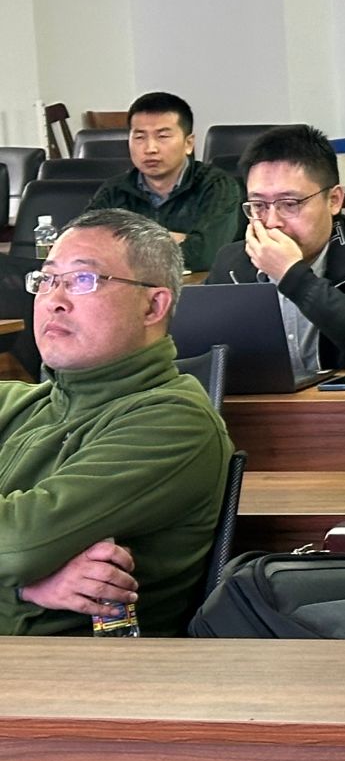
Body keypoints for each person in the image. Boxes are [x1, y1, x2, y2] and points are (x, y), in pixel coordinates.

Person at [1, 210, 232, 635]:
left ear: (153, 306)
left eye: (82, 280)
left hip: (66, 670)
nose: (54, 299)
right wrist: (23, 589)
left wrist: (19, 575)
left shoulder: (174, 421)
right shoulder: (15, 403)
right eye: (47, 279)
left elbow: (17, 544)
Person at [206, 124, 345, 372]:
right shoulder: (232, 263)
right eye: (258, 205)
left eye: (289, 204)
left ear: (334, 200)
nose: (271, 221)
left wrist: (292, 275)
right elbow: (203, 353)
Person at [85, 91, 243, 272]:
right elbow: (84, 245)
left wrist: (124, 242)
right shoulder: (114, 190)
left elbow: (205, 255)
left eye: (163, 136)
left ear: (188, 143)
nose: (150, 148)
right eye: (140, 137)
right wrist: (175, 239)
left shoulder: (217, 186)